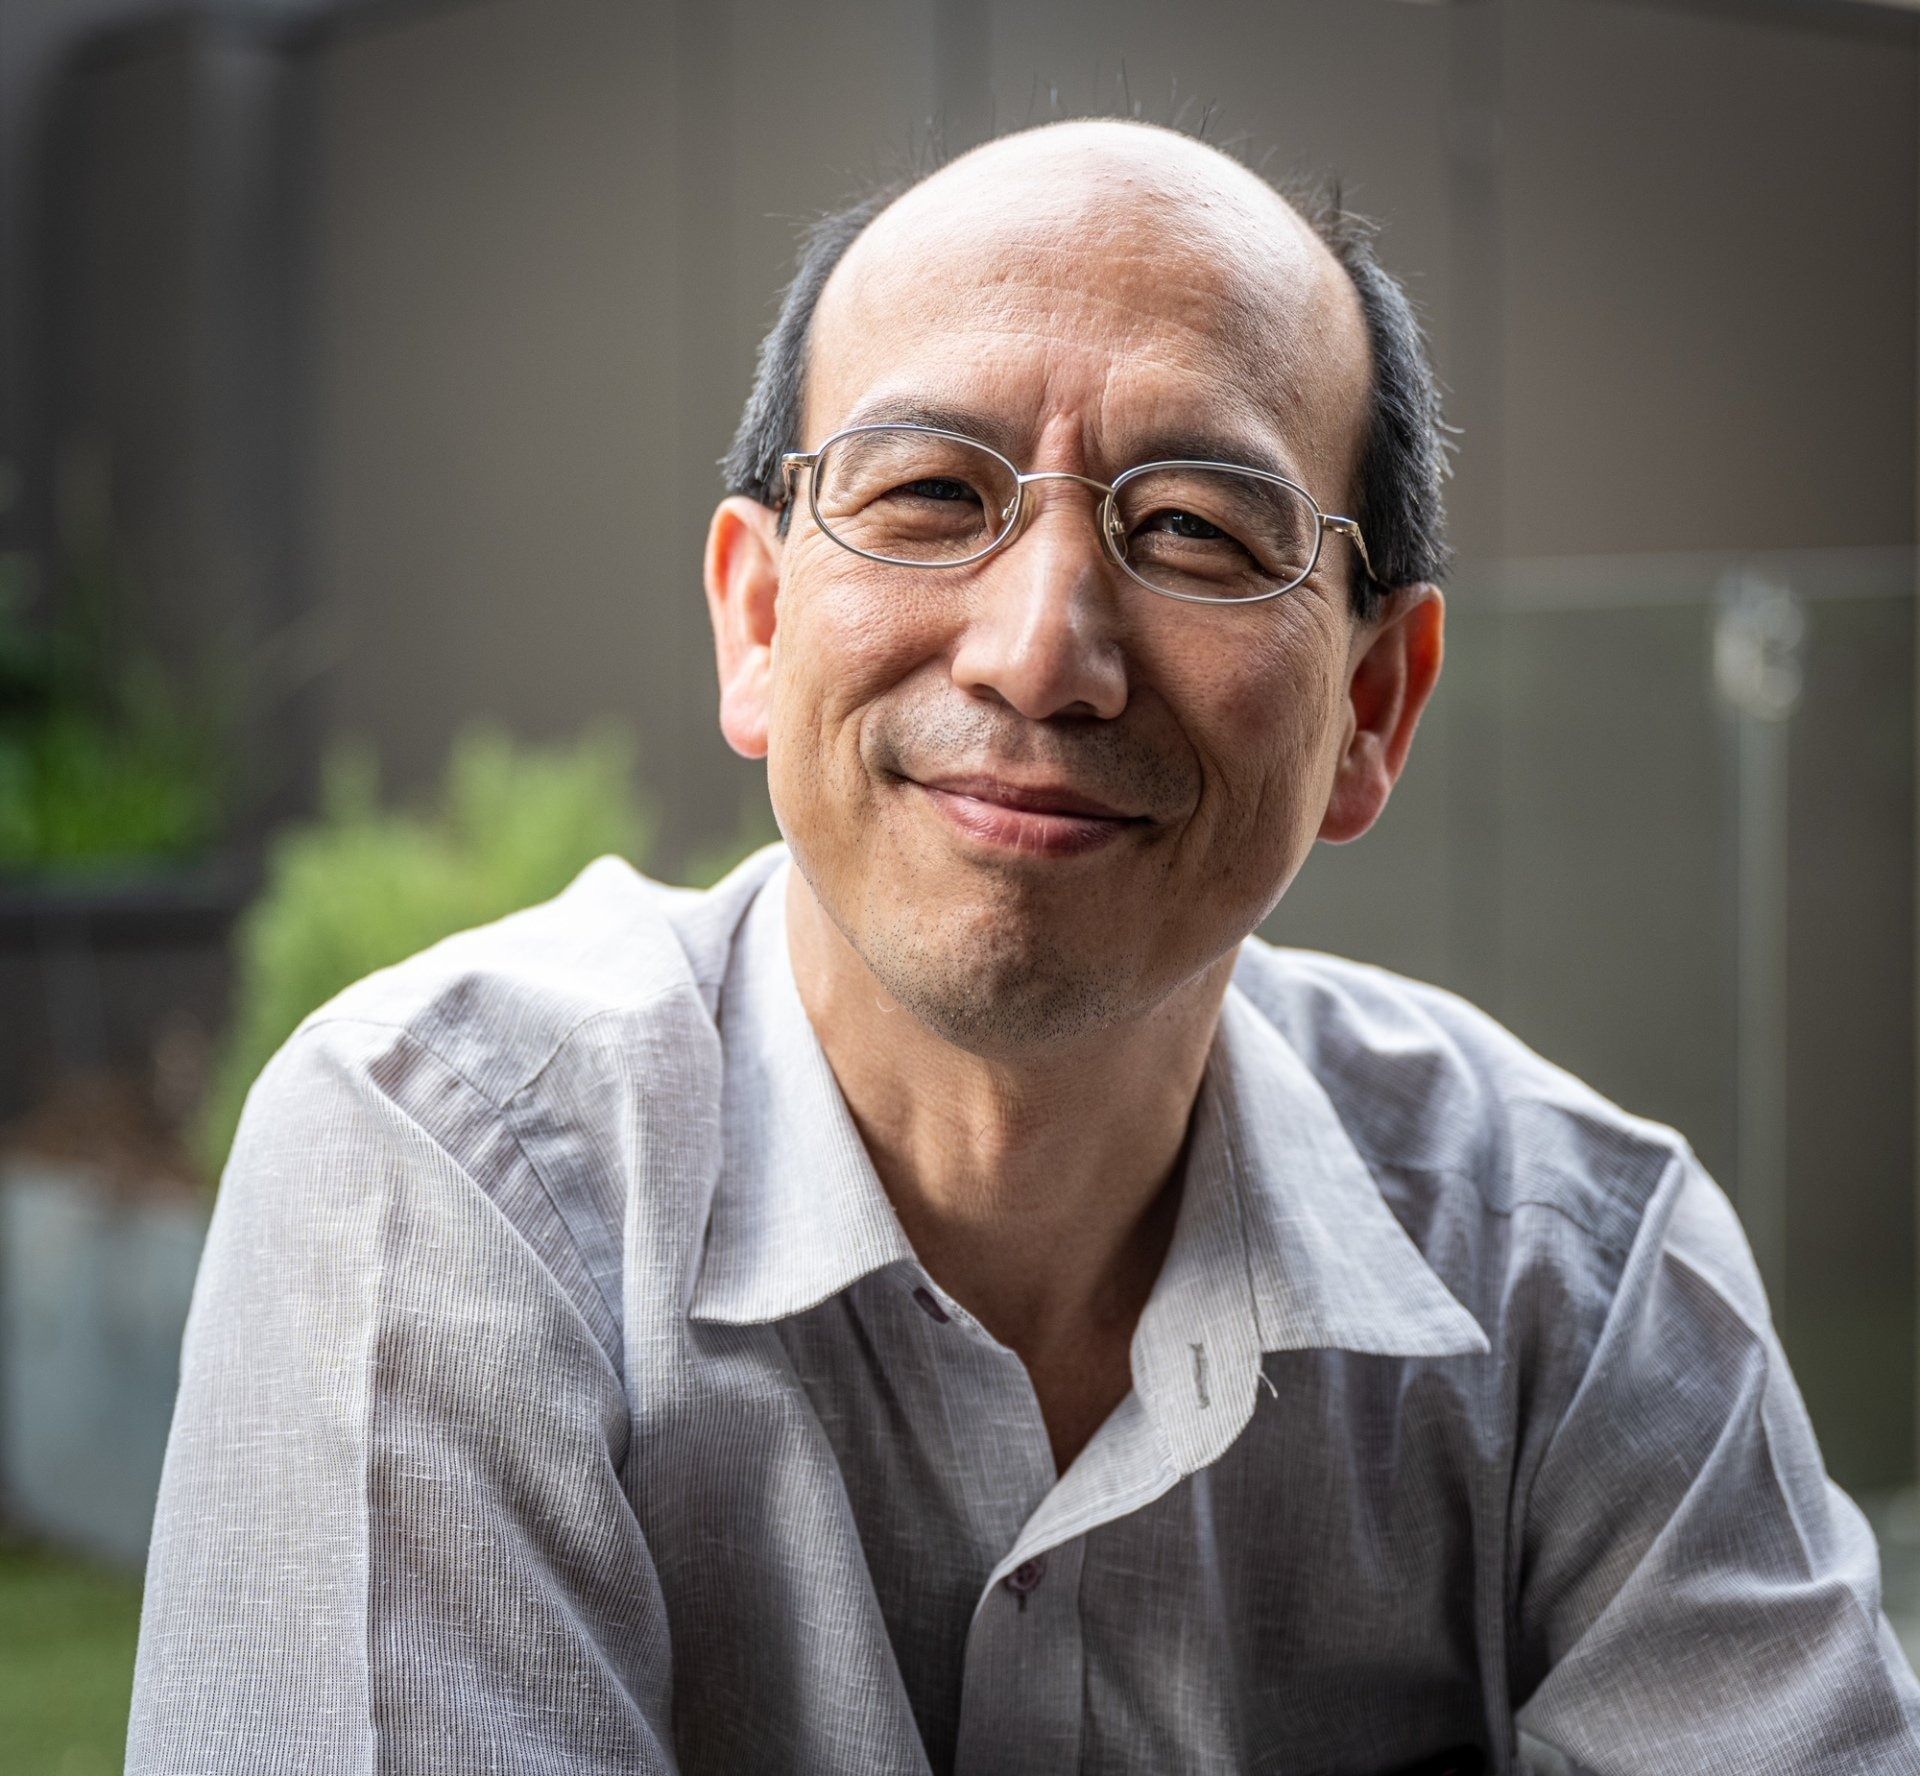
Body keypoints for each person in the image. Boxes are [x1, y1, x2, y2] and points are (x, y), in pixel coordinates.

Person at [126, 116, 1920, 1775]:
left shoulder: (1581, 1282)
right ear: (757, 622)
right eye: (926, 499)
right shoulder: (449, 1169)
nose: (1041, 650)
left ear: (1376, 702)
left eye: (1199, 532)